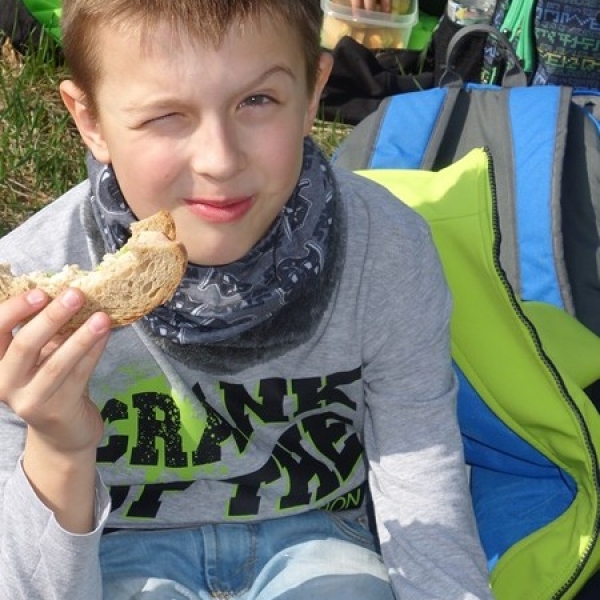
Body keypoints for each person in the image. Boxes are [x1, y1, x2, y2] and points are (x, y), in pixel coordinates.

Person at [0, 1, 493, 599]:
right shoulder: (29, 295)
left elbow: (422, 482)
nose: (220, 160)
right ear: (91, 120)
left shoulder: (385, 251)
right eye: (165, 115)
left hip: (320, 535)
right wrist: (58, 446)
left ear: (312, 92)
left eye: (257, 100)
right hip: (110, 549)